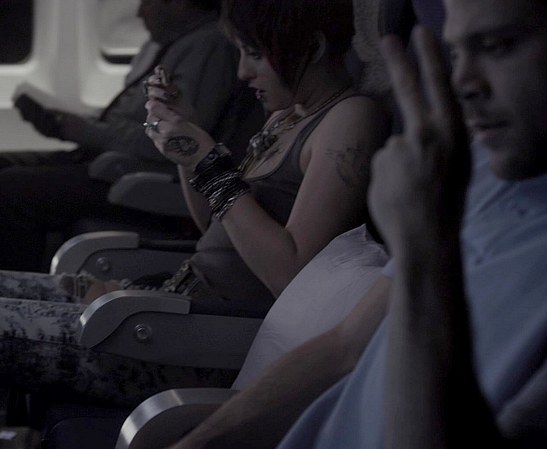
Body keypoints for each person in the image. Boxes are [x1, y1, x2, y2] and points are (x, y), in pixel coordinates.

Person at [0, 0, 389, 426]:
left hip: (198, 339)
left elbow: (291, 274)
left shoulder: (350, 121)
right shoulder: (287, 117)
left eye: (254, 54)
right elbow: (214, 228)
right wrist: (188, 145)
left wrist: (209, 164)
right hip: (168, 300)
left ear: (314, 46)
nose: (243, 72)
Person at [168, 0, 547, 447]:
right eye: (456, 53)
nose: (462, 83)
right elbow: (345, 348)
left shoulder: (368, 134)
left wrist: (424, 246)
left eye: (500, 45)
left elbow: (289, 273)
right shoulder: (484, 178)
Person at [0, 0, 263, 271]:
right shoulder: (168, 44)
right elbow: (135, 117)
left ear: (179, 4)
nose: (140, 12)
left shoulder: (209, 47)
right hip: (114, 161)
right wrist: (75, 123)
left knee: (13, 188)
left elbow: (172, 138)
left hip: (141, 174)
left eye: (148, 2)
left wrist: (88, 132)